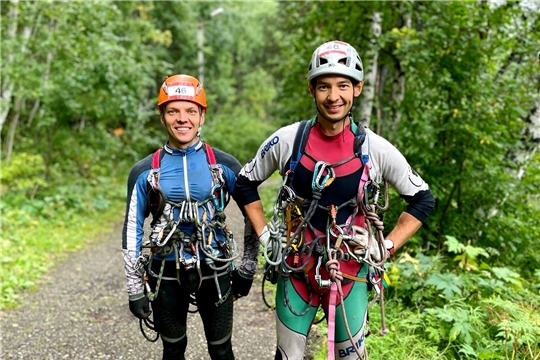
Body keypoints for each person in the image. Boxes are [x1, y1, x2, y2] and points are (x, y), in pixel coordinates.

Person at [234, 40, 435, 359]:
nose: (333, 96)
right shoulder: (288, 140)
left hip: (351, 270)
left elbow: (422, 199)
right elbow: (244, 183)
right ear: (312, 90)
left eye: (343, 85)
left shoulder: (375, 148)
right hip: (297, 266)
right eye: (324, 86)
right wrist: (264, 235)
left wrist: (385, 247)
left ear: (357, 89)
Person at [121, 74, 258, 360]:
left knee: (221, 351)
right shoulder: (145, 171)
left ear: (202, 115)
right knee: (172, 349)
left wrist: (246, 268)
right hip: (163, 273)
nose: (182, 119)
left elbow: (253, 215)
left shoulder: (224, 164)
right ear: (162, 116)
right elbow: (132, 228)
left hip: (216, 270)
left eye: (190, 111)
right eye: (173, 111)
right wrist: (135, 289)